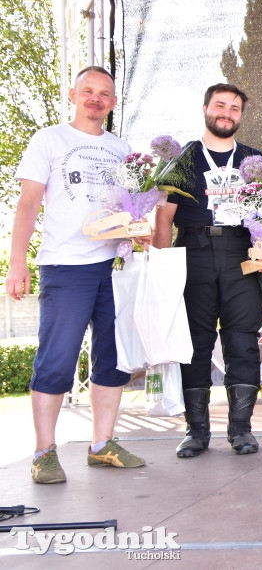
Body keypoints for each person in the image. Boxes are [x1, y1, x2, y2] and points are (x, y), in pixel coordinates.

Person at [7, 66, 145, 484]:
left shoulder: (121, 149)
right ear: (73, 94)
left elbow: (131, 208)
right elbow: (28, 203)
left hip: (115, 265)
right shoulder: (49, 139)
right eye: (88, 91)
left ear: (113, 103)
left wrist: (139, 232)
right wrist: (17, 262)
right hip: (66, 266)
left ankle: (102, 445)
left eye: (104, 94)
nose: (95, 99)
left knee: (114, 359)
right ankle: (44, 453)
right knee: (57, 360)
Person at [153, 83, 262, 457]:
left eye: (235, 108)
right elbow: (164, 217)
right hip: (193, 252)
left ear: (240, 116)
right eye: (220, 105)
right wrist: (159, 266)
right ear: (205, 108)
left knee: (243, 341)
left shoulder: (254, 160)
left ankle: (241, 430)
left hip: (241, 254)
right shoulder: (183, 159)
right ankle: (197, 432)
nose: (227, 113)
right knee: (194, 343)